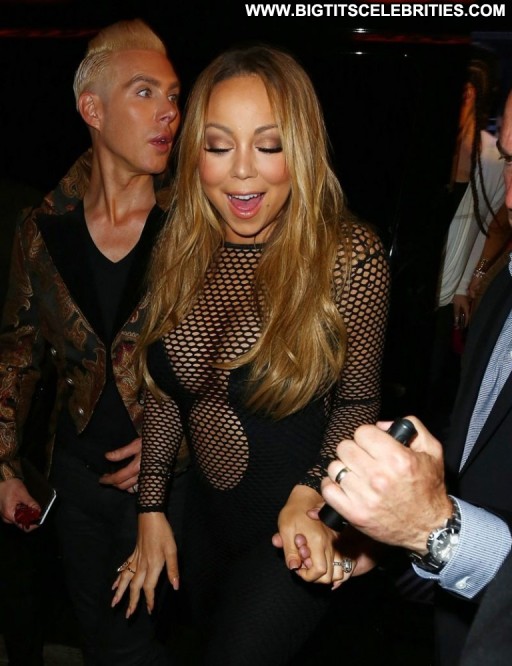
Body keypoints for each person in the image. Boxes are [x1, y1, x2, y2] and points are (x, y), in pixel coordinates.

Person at [112, 44, 390, 664]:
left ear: (302, 149)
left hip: (295, 531)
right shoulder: (181, 248)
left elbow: (358, 402)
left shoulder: (348, 258)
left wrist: (310, 493)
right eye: (218, 146)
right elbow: (169, 392)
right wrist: (151, 508)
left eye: (268, 146)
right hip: (203, 526)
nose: (241, 171)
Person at [0, 19, 184, 666]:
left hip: (173, 487)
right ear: (93, 110)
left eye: (173, 95)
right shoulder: (43, 227)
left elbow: (238, 359)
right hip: (75, 482)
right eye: (145, 92)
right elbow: (17, 353)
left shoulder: (195, 221)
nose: (169, 111)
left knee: (150, 645)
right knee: (102, 643)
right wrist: (3, 466)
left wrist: (178, 443)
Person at [321, 88, 512, 666]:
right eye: (510, 160)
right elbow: (478, 459)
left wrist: (436, 531)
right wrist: (390, 533)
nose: (511, 200)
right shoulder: (503, 287)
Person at [425, 55, 509, 436]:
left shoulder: (492, 156)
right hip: (413, 285)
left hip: (445, 293)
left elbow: (490, 224)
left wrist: (465, 285)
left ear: (469, 94)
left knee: (431, 383)